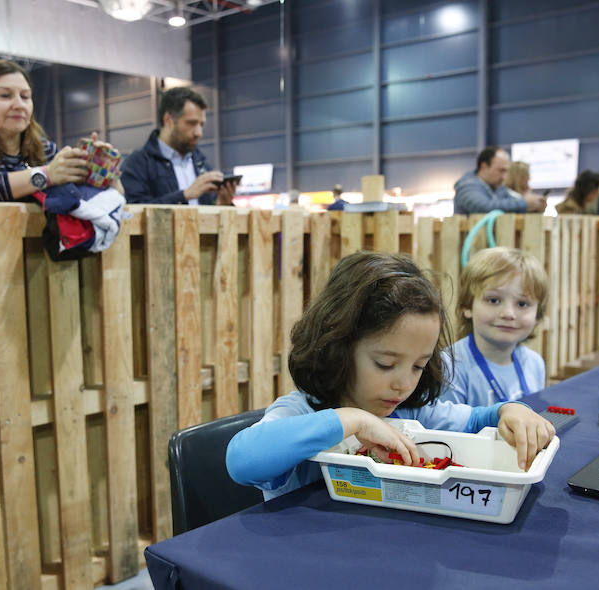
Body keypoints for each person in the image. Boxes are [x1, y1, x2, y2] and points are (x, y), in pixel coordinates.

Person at [226, 251, 556, 500]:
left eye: (418, 365)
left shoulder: (412, 410)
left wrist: (509, 411)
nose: (403, 383)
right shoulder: (301, 412)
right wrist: (350, 420)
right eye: (385, 364)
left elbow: (475, 420)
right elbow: (242, 460)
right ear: (339, 347)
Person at [0, 60, 114, 202]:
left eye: (25, 96)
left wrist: (102, 172)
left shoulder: (44, 148)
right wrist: (45, 176)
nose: (19, 105)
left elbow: (88, 199)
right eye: (5, 95)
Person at [439, 248, 547, 406]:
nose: (509, 313)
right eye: (494, 300)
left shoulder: (534, 363)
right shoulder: (450, 367)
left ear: (537, 315)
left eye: (522, 304)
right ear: (467, 306)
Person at [120, 87, 235, 206]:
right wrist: (184, 196)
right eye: (191, 123)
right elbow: (133, 211)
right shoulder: (137, 165)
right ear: (168, 120)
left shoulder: (202, 165)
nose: (199, 132)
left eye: (201, 124)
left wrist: (221, 205)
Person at [454, 147, 546, 214]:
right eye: (501, 171)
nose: (504, 177)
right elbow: (484, 207)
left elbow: (512, 203)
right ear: (484, 167)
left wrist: (535, 206)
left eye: (506, 171)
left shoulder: (498, 188)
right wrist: (524, 204)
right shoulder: (467, 186)